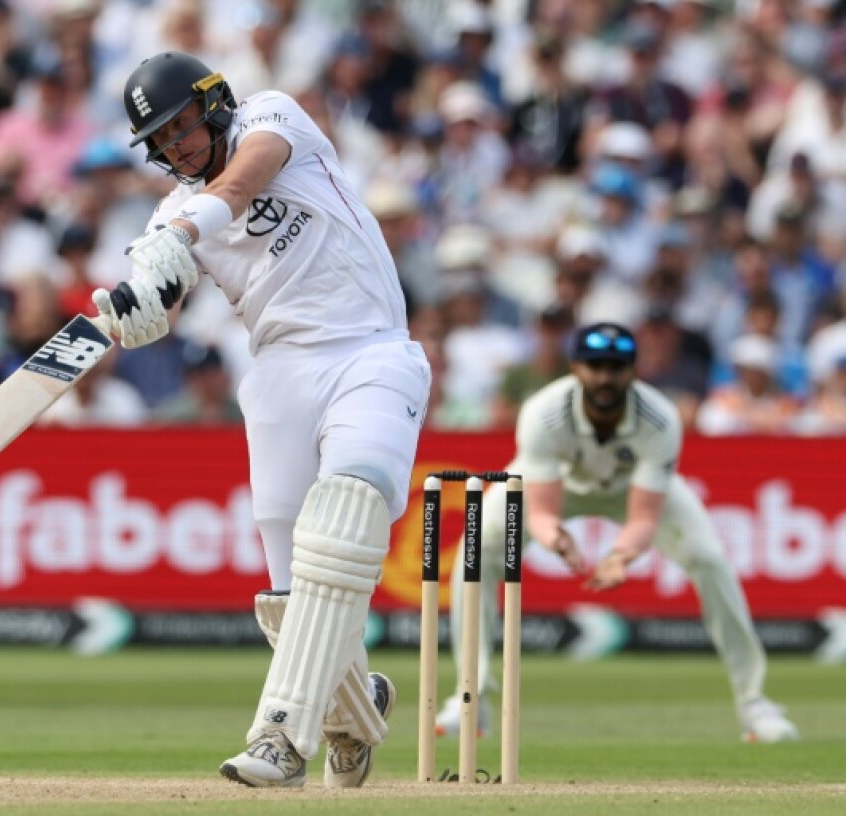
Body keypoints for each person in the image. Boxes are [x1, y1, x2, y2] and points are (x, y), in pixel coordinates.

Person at [97, 51, 430, 788]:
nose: (174, 146)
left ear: (212, 105)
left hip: (371, 352)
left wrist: (178, 236)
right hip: (277, 375)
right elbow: (160, 301)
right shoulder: (169, 217)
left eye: (181, 125)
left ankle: (280, 736)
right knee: (288, 596)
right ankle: (357, 712)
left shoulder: (274, 116)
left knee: (342, 522)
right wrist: (138, 307)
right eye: (159, 139)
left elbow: (242, 182)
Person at [434, 322, 799, 744]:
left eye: (616, 367)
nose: (605, 377)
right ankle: (471, 698)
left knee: (708, 558)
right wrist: (557, 540)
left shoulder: (659, 418)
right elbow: (541, 510)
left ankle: (755, 704)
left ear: (633, 370)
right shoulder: (543, 412)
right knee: (476, 550)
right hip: (557, 485)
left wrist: (620, 556)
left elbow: (644, 517)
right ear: (576, 368)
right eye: (595, 367)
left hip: (629, 487)